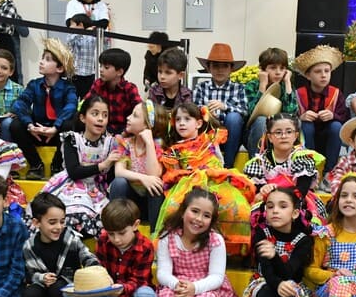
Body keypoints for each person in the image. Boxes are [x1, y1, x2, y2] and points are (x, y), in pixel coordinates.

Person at [155, 103, 256, 257]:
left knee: (238, 207)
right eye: (178, 120)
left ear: (198, 123)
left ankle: (232, 251)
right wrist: (192, 174)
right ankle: (181, 250)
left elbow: (220, 161)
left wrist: (213, 172)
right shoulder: (174, 150)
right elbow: (174, 173)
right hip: (189, 184)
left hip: (216, 181)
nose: (181, 123)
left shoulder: (210, 140)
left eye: (187, 119)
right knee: (175, 209)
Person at [7, 193, 99, 297]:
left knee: (58, 287)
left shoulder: (70, 239)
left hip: (66, 294)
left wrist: (94, 268)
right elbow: (29, 273)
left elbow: (87, 255)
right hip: (43, 292)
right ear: (36, 223)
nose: (58, 227)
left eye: (62, 221)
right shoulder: (29, 246)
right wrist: (41, 278)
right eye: (52, 222)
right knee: (30, 292)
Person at [40, 95, 118, 238]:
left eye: (105, 115)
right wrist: (103, 164)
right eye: (95, 114)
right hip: (72, 186)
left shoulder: (111, 143)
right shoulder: (73, 139)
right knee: (73, 211)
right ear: (83, 118)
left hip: (97, 189)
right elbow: (74, 171)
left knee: (109, 218)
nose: (100, 119)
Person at [243, 113, 327, 234]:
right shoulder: (260, 162)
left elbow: (301, 190)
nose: (284, 136)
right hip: (269, 202)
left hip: (297, 200)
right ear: (270, 137)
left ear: (296, 135)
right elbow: (256, 189)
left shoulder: (302, 158)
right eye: (278, 132)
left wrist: (282, 198)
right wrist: (263, 189)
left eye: (289, 132)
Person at [10, 38, 78, 180]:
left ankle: (57, 166)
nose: (41, 62)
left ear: (59, 68)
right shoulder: (34, 84)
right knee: (15, 125)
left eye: (47, 60)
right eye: (42, 58)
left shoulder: (69, 87)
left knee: (70, 124)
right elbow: (20, 104)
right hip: (37, 131)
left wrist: (55, 128)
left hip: (57, 134)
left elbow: (71, 107)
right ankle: (36, 165)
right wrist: (30, 125)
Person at [110, 100, 165, 232]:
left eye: (134, 115)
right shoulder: (125, 143)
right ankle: (117, 229)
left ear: (147, 124)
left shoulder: (159, 145)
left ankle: (156, 236)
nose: (128, 118)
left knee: (156, 186)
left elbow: (154, 175)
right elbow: (119, 172)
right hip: (130, 202)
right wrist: (143, 178)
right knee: (119, 183)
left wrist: (149, 143)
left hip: (151, 204)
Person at [293, 45, 348, 174]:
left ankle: (330, 171)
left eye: (327, 71)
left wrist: (333, 116)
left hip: (328, 139)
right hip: (306, 139)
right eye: (318, 72)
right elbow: (289, 118)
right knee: (306, 125)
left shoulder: (336, 93)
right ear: (308, 75)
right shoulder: (299, 94)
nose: (323, 75)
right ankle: (310, 169)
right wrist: (300, 117)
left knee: (336, 126)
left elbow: (345, 118)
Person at [193, 43, 248, 168]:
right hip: (208, 132)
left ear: (231, 69)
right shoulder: (201, 87)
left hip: (231, 135)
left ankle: (227, 166)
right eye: (216, 66)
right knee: (199, 117)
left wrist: (225, 107)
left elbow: (245, 111)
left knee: (234, 117)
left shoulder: (239, 88)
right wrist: (207, 112)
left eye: (225, 66)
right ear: (209, 68)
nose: (220, 70)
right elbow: (194, 109)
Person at [245, 47, 298, 154]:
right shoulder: (252, 86)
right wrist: (262, 86)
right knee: (261, 120)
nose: (278, 72)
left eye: (282, 68)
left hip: (279, 132)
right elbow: (251, 113)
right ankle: (256, 161)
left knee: (297, 123)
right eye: (273, 68)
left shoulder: (285, 86)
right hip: (254, 133)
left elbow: (291, 113)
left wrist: (287, 82)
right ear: (262, 69)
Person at [86, 48, 142, 135]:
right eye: (101, 66)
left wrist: (126, 133)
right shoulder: (98, 84)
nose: (101, 69)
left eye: (106, 67)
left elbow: (140, 112)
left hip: (124, 129)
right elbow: (86, 104)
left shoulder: (130, 89)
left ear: (119, 72)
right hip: (101, 126)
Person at [66, 13, 97, 97]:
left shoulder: (92, 37)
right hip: (74, 75)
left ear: (80, 25)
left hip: (89, 75)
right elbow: (69, 42)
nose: (70, 27)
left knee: (86, 100)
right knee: (72, 98)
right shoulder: (72, 35)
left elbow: (100, 40)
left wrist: (91, 31)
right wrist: (82, 32)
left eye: (72, 24)